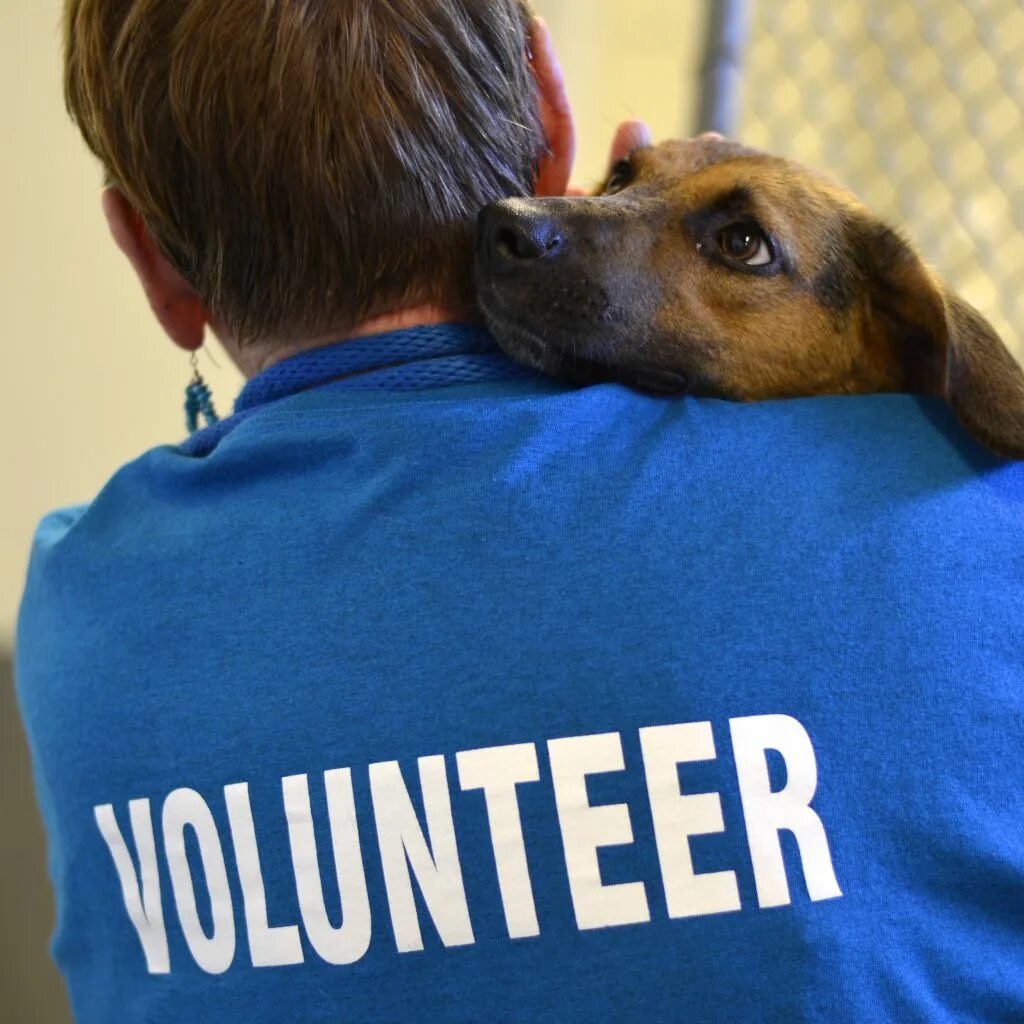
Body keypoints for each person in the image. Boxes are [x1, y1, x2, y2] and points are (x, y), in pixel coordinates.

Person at [15, 1, 1024, 1021]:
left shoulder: (77, 612)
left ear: (150, 259)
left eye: (734, 243)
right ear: (553, 111)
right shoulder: (964, 518)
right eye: (626, 184)